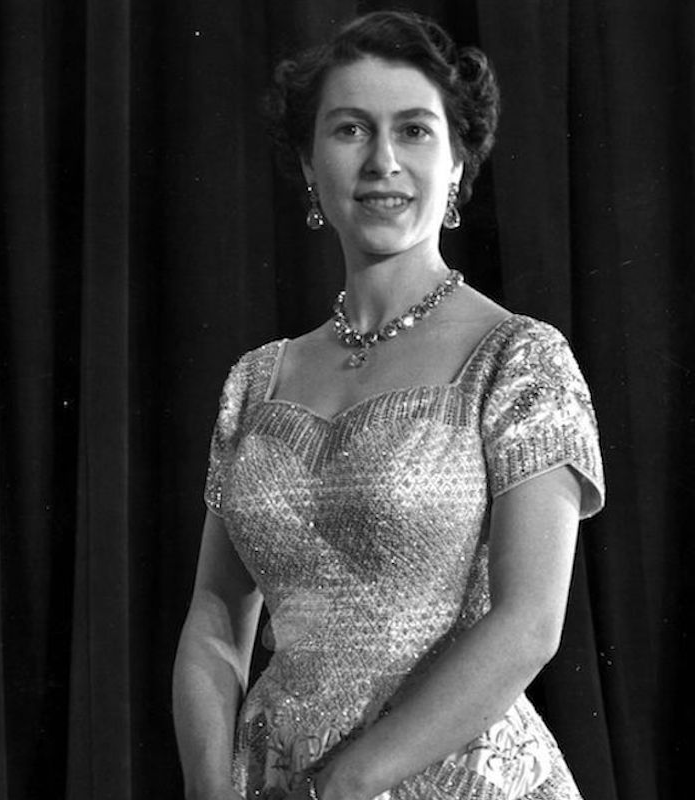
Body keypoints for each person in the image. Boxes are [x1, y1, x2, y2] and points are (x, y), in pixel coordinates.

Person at [173, 11, 605, 800]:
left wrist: (346, 784)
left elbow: (528, 626)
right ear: (308, 160)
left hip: (453, 776)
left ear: (457, 163)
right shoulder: (256, 380)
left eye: (414, 131)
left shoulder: (519, 358)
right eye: (349, 131)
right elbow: (214, 618)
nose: (382, 162)